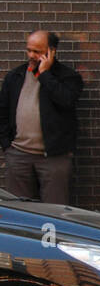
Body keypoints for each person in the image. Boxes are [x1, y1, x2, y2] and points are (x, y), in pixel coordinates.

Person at [0, 30, 84, 204]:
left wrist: (45, 74)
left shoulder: (68, 77)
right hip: (18, 155)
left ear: (51, 51)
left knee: (55, 212)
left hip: (54, 157)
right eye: (29, 50)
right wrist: (7, 147)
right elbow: (3, 112)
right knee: (20, 213)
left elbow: (66, 101)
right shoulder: (15, 77)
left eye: (37, 52)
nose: (31, 55)